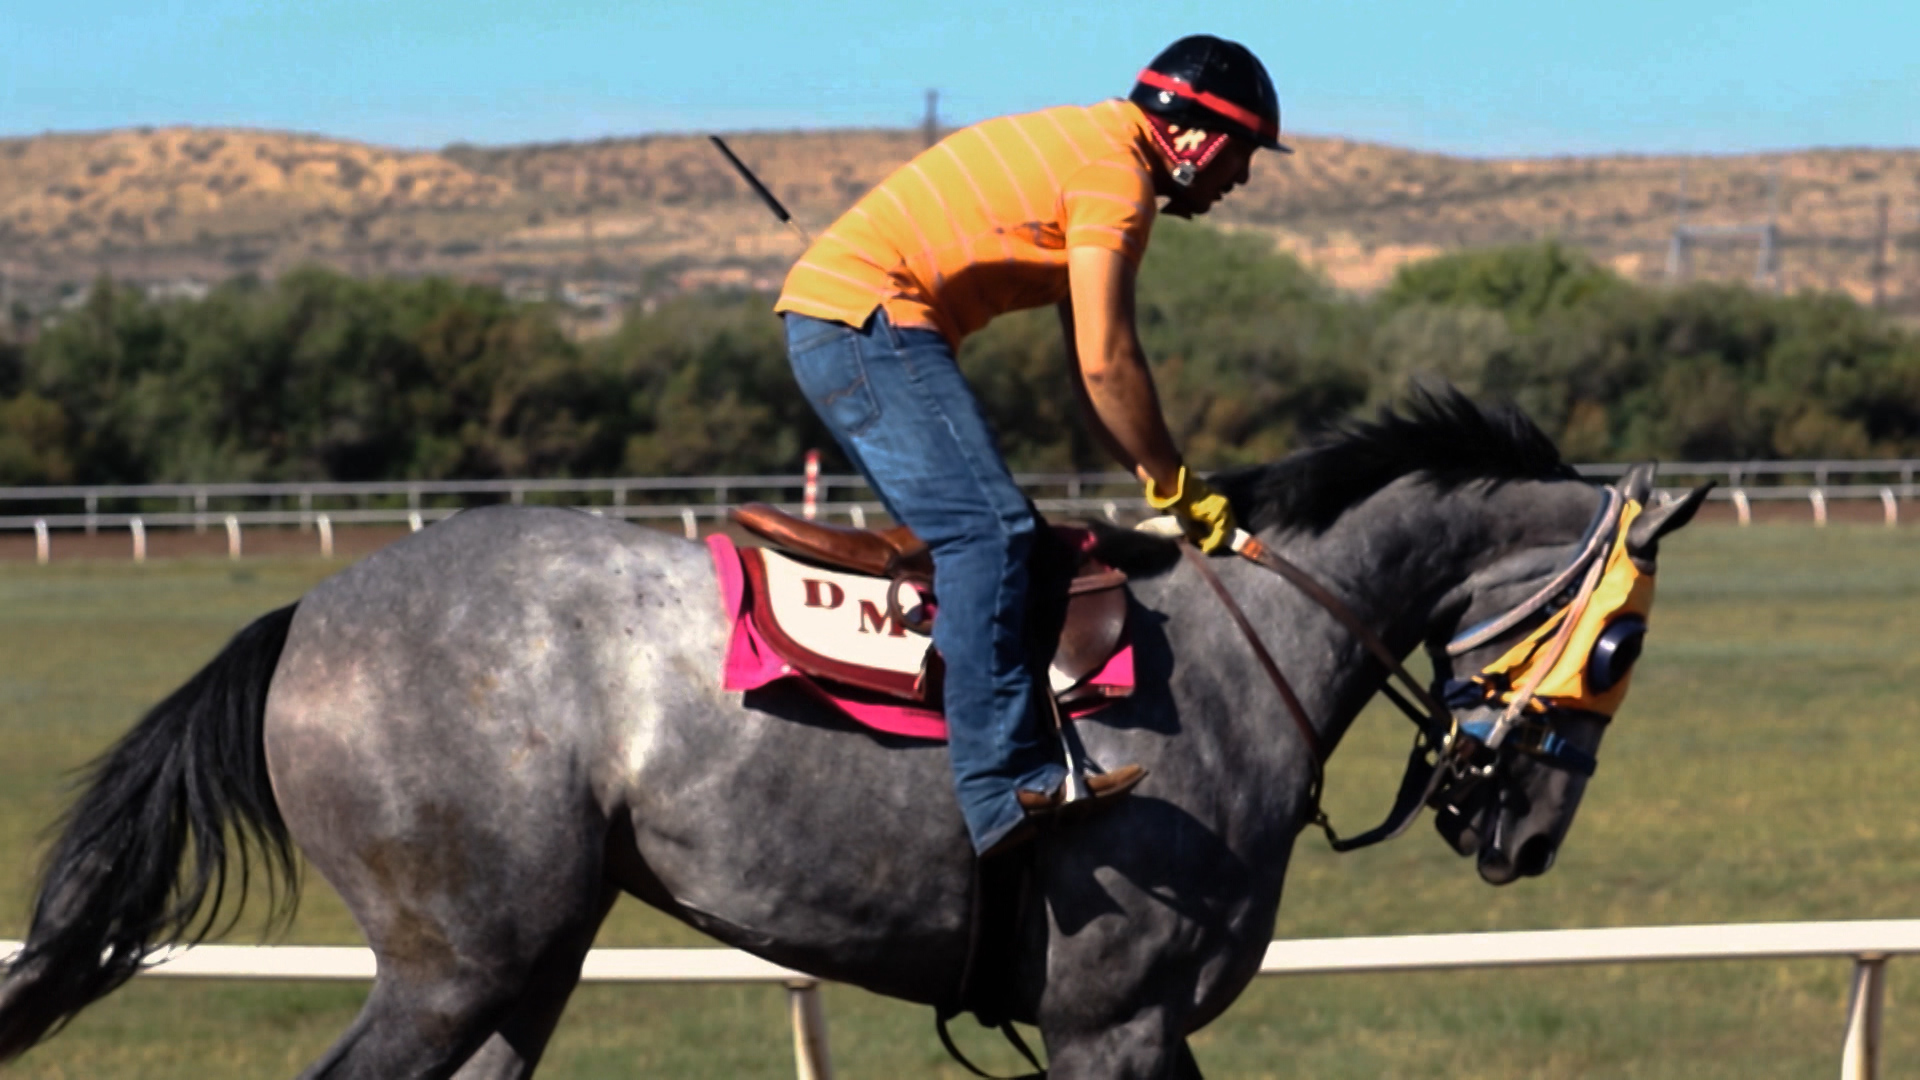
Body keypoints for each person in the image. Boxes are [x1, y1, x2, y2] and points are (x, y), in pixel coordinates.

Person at [774, 34, 1289, 857]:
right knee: (991, 535)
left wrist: (1165, 479)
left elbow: (1092, 377)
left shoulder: (1093, 152)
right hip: (868, 322)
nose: (1243, 180)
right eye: (1243, 155)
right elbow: (1109, 361)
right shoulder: (1115, 180)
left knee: (998, 529)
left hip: (853, 319)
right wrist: (1178, 486)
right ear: (1195, 138)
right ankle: (1003, 793)